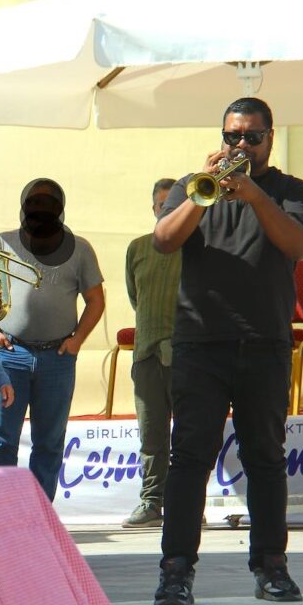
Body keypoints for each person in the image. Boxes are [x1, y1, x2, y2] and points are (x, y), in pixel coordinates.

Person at [151, 97, 303, 605]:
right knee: (190, 458)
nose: (240, 145)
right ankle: (176, 569)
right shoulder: (192, 186)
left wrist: (252, 196)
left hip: (263, 340)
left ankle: (271, 565)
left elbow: (298, 246)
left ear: (271, 136)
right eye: (231, 137)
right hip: (200, 342)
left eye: (250, 136)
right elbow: (162, 240)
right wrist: (202, 196)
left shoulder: (290, 190)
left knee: (265, 457)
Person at [0, 178, 105, 499]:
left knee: (49, 442)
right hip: (8, 355)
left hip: (57, 359)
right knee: (0, 441)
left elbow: (96, 300)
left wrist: (77, 341)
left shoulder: (79, 249)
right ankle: (0, 517)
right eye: (34, 203)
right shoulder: (1, 243)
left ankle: (40, 518)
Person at [122, 178, 180, 528]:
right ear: (154, 209)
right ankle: (152, 501)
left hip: (186, 355)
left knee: (188, 436)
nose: (166, 211)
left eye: (173, 205)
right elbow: (135, 297)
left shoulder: (197, 246)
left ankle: (187, 504)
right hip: (146, 355)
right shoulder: (138, 247)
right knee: (151, 434)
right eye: (162, 206)